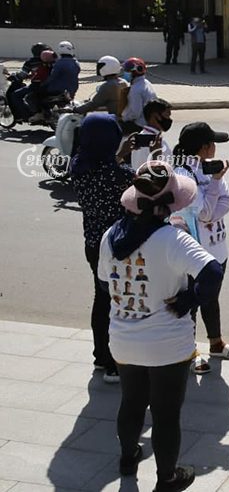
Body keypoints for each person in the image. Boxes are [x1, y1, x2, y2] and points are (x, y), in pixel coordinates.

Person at [97, 161, 224, 490]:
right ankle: (167, 477)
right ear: (170, 204)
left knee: (131, 402)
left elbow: (103, 284)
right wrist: (188, 300)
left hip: (123, 340)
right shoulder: (173, 239)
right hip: (168, 344)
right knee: (166, 415)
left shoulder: (111, 236)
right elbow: (213, 274)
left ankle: (128, 457)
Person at [70, 113, 137, 384]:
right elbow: (143, 185)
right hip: (117, 247)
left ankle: (101, 356)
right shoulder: (119, 175)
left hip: (92, 244)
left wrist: (119, 155)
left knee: (102, 300)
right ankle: (113, 363)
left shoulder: (78, 165)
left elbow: (104, 167)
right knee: (118, 302)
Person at [171, 122, 229, 374]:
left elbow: (226, 201)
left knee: (211, 298)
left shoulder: (207, 169)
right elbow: (207, 211)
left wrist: (215, 191)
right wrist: (215, 189)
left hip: (217, 250)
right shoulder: (183, 175)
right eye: (213, 144)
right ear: (203, 147)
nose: (215, 149)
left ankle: (216, 343)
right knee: (192, 302)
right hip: (195, 254)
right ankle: (189, 351)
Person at [131, 98, 174, 169]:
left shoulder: (141, 137)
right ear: (156, 116)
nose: (169, 119)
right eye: (167, 115)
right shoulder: (154, 141)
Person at [120, 57, 157, 135]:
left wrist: (122, 117)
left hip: (139, 125)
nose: (125, 72)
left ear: (135, 72)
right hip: (148, 122)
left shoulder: (136, 89)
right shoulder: (146, 83)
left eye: (127, 71)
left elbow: (135, 113)